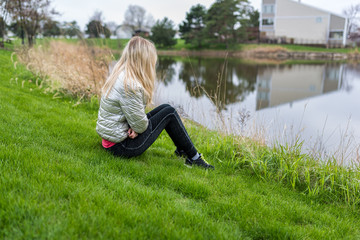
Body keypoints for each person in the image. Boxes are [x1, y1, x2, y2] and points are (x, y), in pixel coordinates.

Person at [96, 36, 214, 169]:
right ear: (144, 60)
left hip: (112, 139)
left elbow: (132, 115)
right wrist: (136, 128)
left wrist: (135, 127)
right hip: (121, 147)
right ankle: (194, 158)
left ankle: (182, 150)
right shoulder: (130, 85)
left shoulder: (121, 75)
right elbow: (140, 126)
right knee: (169, 112)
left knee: (165, 108)